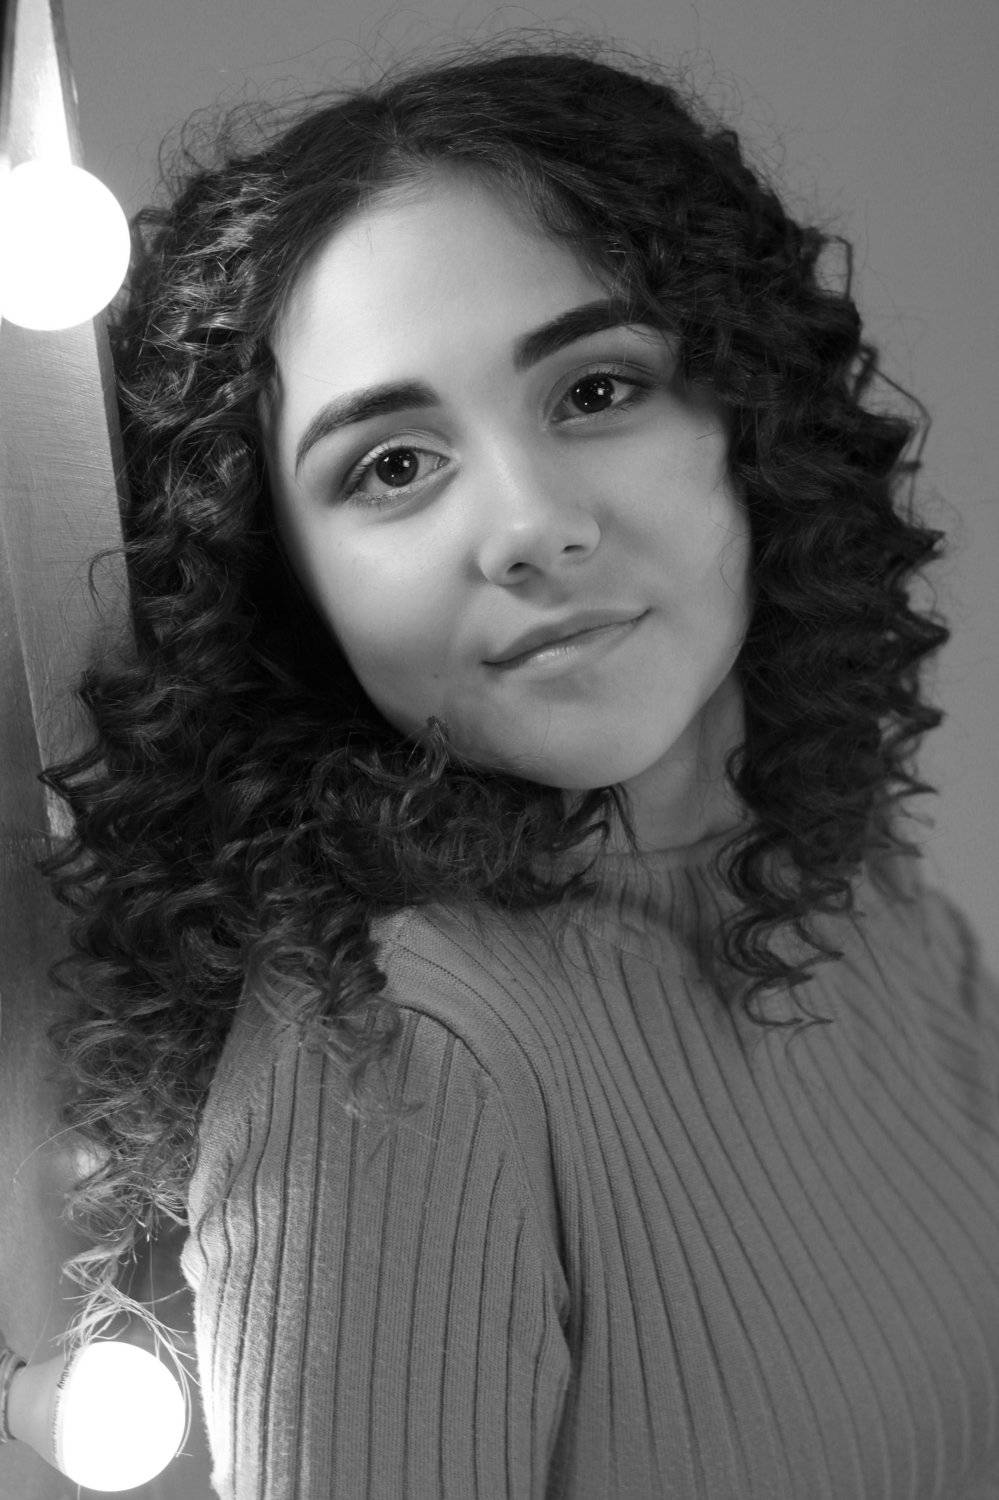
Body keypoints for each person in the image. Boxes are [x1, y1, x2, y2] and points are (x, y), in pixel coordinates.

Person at [37, 28, 999, 1500]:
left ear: (752, 416)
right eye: (393, 466)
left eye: (596, 390)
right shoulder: (388, 1063)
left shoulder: (863, 897)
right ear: (288, 589)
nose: (532, 524)